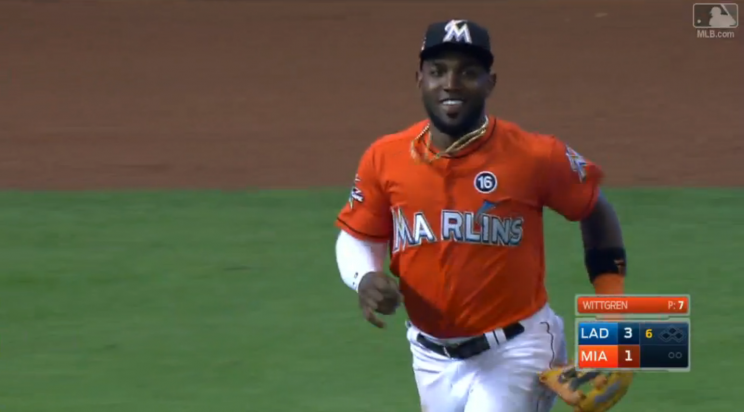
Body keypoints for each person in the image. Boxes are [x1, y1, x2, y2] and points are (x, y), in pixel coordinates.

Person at [334, 19, 627, 412]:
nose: (451, 84)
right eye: (438, 72)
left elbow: (596, 210)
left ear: (491, 82)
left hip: (517, 350)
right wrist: (364, 277)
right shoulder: (384, 157)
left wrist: (612, 326)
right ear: (419, 79)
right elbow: (360, 235)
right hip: (430, 358)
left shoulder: (535, 155)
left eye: (468, 73)